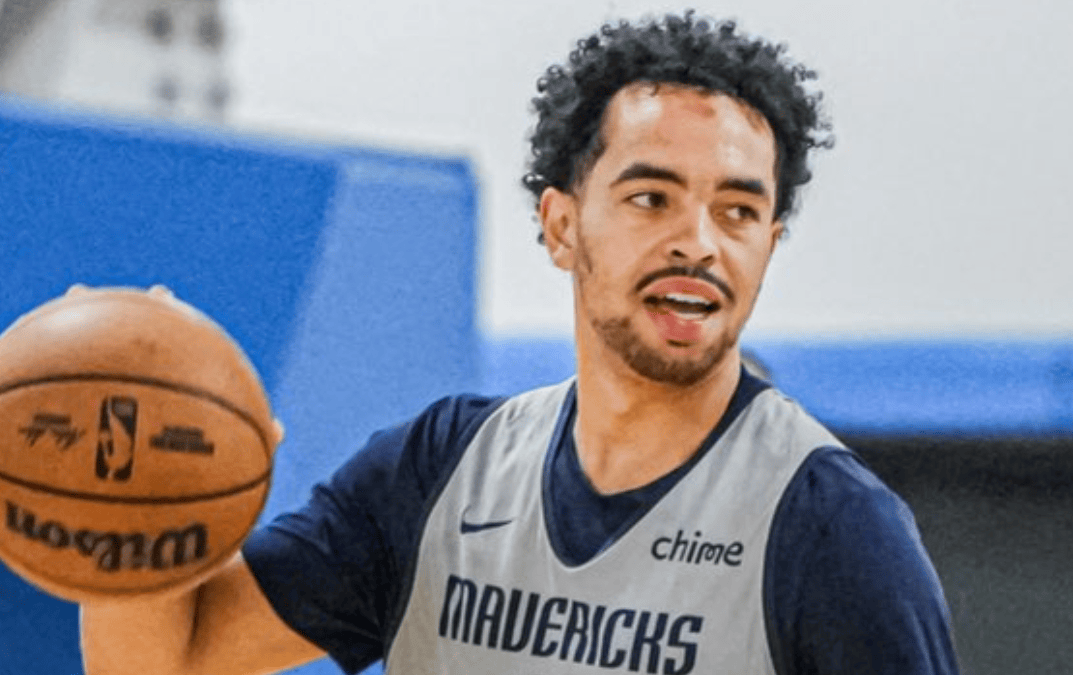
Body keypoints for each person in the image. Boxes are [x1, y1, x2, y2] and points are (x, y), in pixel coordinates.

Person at [81, 11, 960, 675]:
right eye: (651, 198)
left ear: (768, 242)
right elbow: (173, 658)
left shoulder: (833, 531)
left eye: (737, 210)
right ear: (561, 224)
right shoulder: (437, 471)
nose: (698, 242)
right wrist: (125, 508)